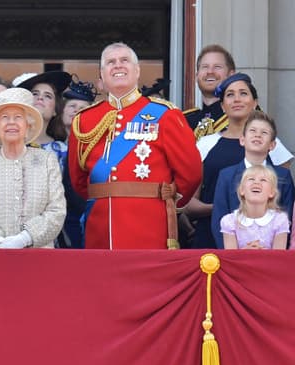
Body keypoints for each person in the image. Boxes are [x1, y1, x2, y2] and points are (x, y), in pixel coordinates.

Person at [68, 42, 202, 249]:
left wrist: (166, 203)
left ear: (137, 71)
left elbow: (190, 172)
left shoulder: (165, 114)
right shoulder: (85, 120)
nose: (118, 66)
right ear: (102, 75)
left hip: (149, 225)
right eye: (110, 62)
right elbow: (78, 180)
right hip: (99, 226)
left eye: (125, 61)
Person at [183, 73, 292, 248]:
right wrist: (220, 207)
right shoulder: (205, 143)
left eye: (243, 93)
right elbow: (189, 201)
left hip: (270, 247)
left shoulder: (272, 143)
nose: (237, 99)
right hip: (215, 238)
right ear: (222, 105)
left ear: (255, 102)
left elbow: (286, 204)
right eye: (230, 95)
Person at [0, 88, 65, 248]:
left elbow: (57, 211)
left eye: (18, 117)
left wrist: (25, 238)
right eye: (4, 117)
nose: (11, 122)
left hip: (37, 260)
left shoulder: (47, 160)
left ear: (28, 125)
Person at [211, 111, 294, 248]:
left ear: (272, 145)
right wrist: (232, 255)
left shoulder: (282, 176)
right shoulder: (226, 175)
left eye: (264, 133)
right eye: (253, 131)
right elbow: (218, 218)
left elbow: (289, 216)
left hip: (273, 255)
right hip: (234, 256)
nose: (257, 135)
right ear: (242, 139)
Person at [59, 78, 98, 249]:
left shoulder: (95, 147)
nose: (76, 111)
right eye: (72, 106)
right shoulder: (51, 145)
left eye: (83, 108)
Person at [220, 164, 289, 250]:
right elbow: (231, 258)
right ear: (242, 190)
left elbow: (279, 258)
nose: (256, 182)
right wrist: (246, 252)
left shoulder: (280, 220)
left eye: (263, 180)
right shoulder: (229, 221)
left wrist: (260, 253)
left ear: (272, 193)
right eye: (251, 179)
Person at [16, 71, 72, 170]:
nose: (40, 98)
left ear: (55, 110)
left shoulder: (63, 151)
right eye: (35, 94)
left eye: (48, 96)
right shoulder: (9, 144)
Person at [184, 45, 235, 139]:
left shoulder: (241, 119)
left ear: (231, 75)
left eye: (217, 67)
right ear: (196, 76)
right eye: (205, 67)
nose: (210, 71)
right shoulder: (184, 120)